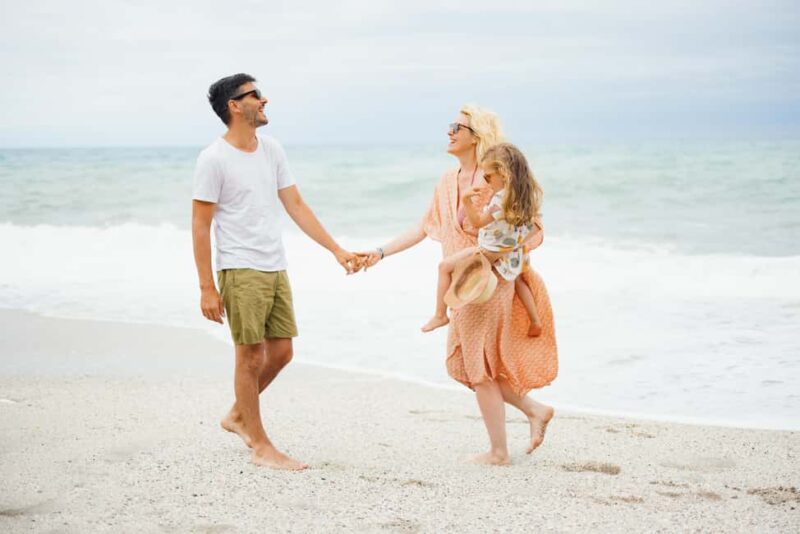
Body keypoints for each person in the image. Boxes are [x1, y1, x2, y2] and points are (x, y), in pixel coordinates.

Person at [360, 105, 557, 465]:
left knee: (478, 367)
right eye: (451, 126)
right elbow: (423, 227)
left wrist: (499, 257)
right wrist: (379, 253)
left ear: (476, 135)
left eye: (457, 127)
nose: (449, 132)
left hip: (489, 282)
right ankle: (533, 409)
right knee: (472, 366)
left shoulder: (497, 176)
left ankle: (499, 452)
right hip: (462, 283)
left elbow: (532, 226)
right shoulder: (447, 181)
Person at [191, 73, 361, 470]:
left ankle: (236, 415)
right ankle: (261, 446)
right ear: (235, 106)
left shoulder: (272, 150)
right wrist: (207, 287)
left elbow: (296, 205)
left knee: (281, 352)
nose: (265, 100)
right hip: (239, 267)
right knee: (249, 356)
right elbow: (200, 225)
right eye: (255, 95)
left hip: (274, 265)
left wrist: (336, 250)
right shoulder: (213, 158)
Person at [421, 142, 543, 338]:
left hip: (489, 251)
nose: (487, 181)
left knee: (444, 267)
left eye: (488, 176)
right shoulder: (524, 197)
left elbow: (478, 222)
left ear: (502, 173)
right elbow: (535, 227)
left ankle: (440, 314)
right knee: (520, 282)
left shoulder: (499, 200)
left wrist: (467, 202)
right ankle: (535, 320)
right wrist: (512, 245)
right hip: (515, 254)